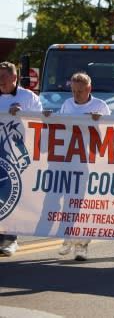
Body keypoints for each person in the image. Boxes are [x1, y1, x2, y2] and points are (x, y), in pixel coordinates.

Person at [54, 72, 111, 261]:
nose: (76, 94)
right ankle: (68, 238)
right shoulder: (67, 105)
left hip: (90, 163)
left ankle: (82, 246)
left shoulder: (100, 106)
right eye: (73, 90)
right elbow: (59, 127)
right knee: (68, 202)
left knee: (84, 205)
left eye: (80, 91)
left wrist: (99, 121)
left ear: (89, 89)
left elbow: (112, 133)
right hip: (69, 161)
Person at [0, 62, 42, 257]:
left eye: (4, 77)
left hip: (15, 157)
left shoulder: (28, 97)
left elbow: (42, 121)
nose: (0, 81)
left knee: (10, 196)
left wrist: (24, 114)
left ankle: (10, 239)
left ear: (14, 78)